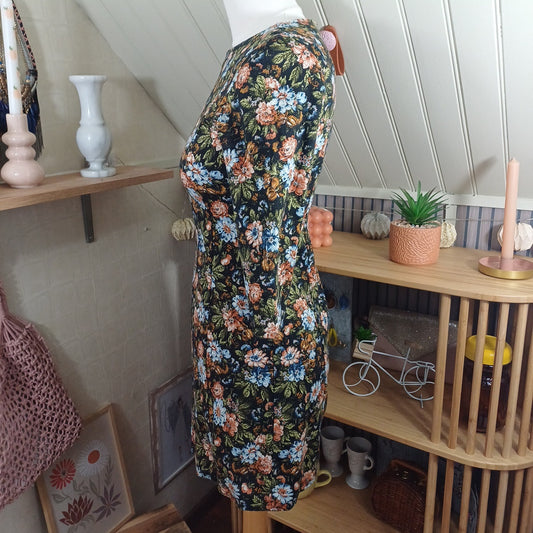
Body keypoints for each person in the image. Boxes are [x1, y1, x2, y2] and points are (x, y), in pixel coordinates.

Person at [179, 0, 336, 514]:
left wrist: (261, 352)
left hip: (261, 338)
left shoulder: (284, 57)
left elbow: (265, 230)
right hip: (227, 324)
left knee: (257, 492)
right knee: (238, 491)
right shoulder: (245, 51)